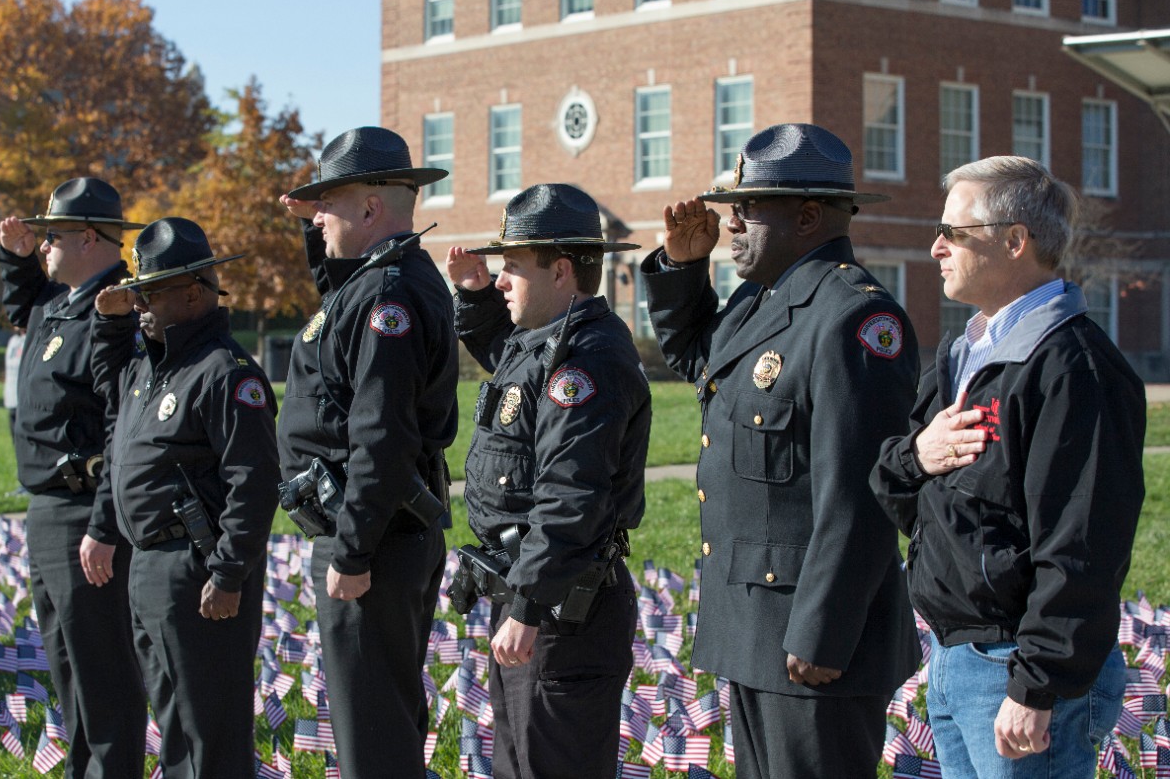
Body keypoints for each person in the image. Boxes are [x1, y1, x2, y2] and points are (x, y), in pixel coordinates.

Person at [640, 123, 921, 778]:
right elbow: (701, 360)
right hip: (759, 632)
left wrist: (823, 631)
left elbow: (861, 494)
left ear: (807, 214)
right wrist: (683, 268)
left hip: (815, 642)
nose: (732, 224)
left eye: (747, 209)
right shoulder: (756, 303)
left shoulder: (854, 317)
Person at [870, 156, 1145, 779]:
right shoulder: (965, 354)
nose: (937, 247)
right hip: (955, 655)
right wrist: (920, 455)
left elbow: (1083, 543)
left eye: (954, 233)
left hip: (1015, 670)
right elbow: (892, 478)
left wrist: (1036, 686)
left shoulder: (1076, 370)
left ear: (1014, 241)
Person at [446, 183, 651, 778]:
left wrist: (529, 605)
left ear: (561, 271)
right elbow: (513, 366)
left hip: (562, 613)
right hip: (538, 600)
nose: (502, 278)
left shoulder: (586, 360)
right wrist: (478, 294)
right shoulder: (551, 343)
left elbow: (571, 493)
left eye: (512, 266)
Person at [276, 126, 459, 779]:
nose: (318, 213)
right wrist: (311, 227)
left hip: (374, 538)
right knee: (380, 720)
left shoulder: (389, 297)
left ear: (370, 209)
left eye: (330, 200)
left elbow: (382, 435)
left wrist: (352, 549)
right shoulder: (383, 278)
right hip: (377, 528)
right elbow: (337, 304)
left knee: (373, 737)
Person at [91, 217, 280, 779]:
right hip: (148, 564)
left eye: (152, 291)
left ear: (195, 293)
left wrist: (227, 575)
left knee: (209, 732)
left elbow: (255, 482)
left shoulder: (224, 372)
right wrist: (109, 324)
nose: (140, 303)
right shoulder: (152, 369)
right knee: (174, 724)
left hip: (196, 572)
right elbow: (109, 393)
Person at [0, 177, 148, 779]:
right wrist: (13, 260)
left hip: (83, 514)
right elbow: (23, 306)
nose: (43, 248)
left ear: (88, 237)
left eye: (52, 237)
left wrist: (105, 523)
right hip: (46, 508)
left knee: (102, 674)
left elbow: (122, 428)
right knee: (68, 669)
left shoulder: (115, 311)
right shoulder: (58, 303)